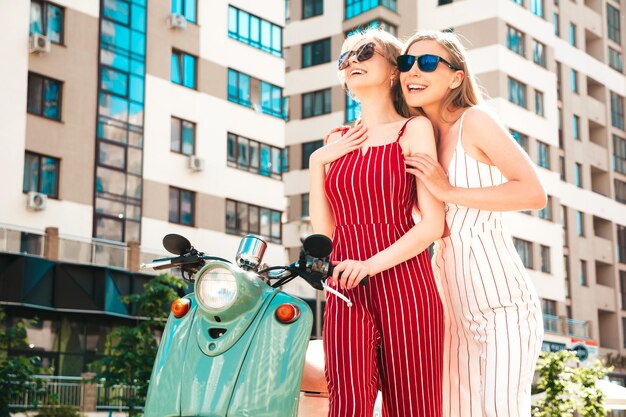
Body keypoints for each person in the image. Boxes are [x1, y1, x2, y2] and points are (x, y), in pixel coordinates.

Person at [400, 30, 546, 417]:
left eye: (427, 63)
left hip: (504, 308)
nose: (413, 71)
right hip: (451, 312)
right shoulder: (418, 138)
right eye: (406, 63)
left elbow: (533, 193)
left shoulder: (476, 122)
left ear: (456, 77)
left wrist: (448, 191)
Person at [308, 28, 445, 417]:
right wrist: (317, 162)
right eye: (345, 57)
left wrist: (369, 265)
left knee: (413, 407)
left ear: (392, 70)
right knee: (346, 406)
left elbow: (431, 224)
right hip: (344, 286)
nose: (351, 61)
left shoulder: (414, 129)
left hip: (405, 284)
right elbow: (325, 233)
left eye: (364, 52)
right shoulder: (336, 138)